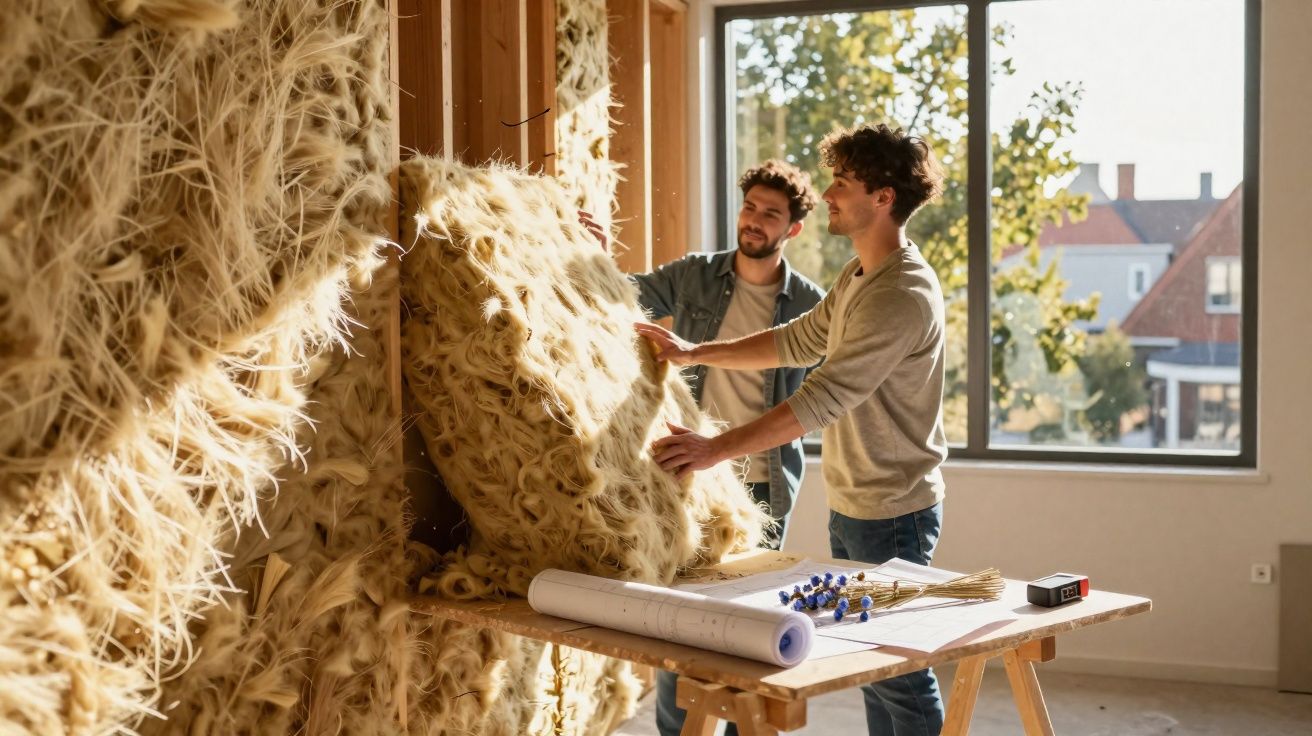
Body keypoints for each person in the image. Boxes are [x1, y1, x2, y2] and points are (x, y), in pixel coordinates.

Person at [637, 123, 950, 736]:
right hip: (858, 503)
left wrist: (712, 450)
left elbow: (822, 398)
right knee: (877, 668)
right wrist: (697, 352)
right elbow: (795, 341)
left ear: (883, 198)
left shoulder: (901, 293)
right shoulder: (859, 277)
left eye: (843, 183)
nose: (830, 194)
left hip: (894, 511)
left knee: (901, 673)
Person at [581, 158, 824, 736]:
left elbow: (818, 399)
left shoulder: (810, 304)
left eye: (771, 214)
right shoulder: (695, 276)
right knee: (679, 619)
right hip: (690, 473)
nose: (754, 221)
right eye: (750, 208)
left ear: (792, 229)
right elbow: (624, 294)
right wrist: (591, 251)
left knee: (752, 625)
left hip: (761, 483)